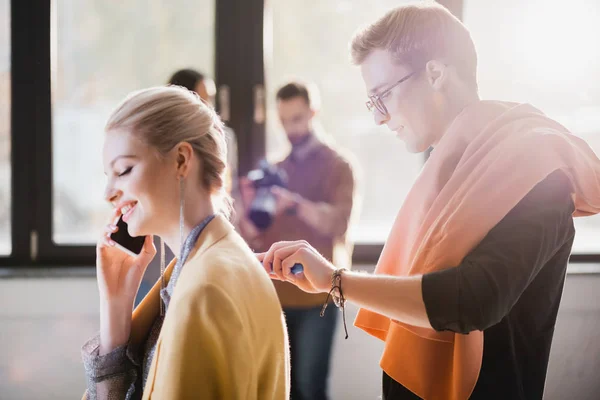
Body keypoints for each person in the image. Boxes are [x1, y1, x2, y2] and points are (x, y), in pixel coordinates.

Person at [258, 3, 600, 400]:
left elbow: (473, 299)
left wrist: (338, 281)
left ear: (435, 73)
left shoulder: (537, 170)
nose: (379, 119)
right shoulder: (452, 172)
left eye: (382, 95)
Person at [81, 86, 289, 399]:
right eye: (109, 175)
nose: (108, 192)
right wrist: (116, 306)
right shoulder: (204, 263)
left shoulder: (206, 289)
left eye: (123, 170)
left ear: (181, 160)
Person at [238, 82, 357, 400]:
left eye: (298, 118)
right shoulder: (273, 170)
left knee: (310, 388)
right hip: (273, 297)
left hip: (318, 298)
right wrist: (245, 207)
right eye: (284, 120)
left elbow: (338, 223)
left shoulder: (339, 166)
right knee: (278, 390)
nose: (291, 128)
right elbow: (250, 235)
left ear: (313, 113)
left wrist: (293, 204)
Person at [134, 68, 240, 307]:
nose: (210, 107)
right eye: (204, 98)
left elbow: (225, 192)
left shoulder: (224, 139)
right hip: (155, 260)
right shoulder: (151, 138)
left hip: (202, 250)